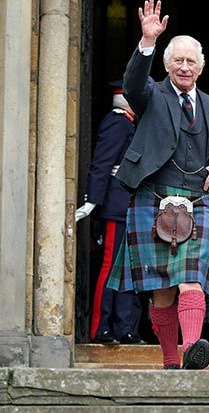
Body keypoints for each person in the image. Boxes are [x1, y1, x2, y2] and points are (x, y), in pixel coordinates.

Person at [106, 0, 209, 370]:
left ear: (202, 67)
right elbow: (132, 82)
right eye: (177, 60)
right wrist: (147, 40)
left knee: (191, 279)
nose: (184, 66)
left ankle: (192, 348)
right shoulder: (151, 95)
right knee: (162, 290)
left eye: (191, 60)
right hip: (154, 196)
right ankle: (169, 359)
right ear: (166, 64)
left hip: (200, 200)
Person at [75, 81, 144, 345]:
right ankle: (100, 328)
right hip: (116, 206)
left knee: (127, 270)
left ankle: (123, 327)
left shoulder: (129, 124)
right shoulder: (118, 122)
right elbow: (102, 163)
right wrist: (92, 201)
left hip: (128, 206)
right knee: (109, 268)